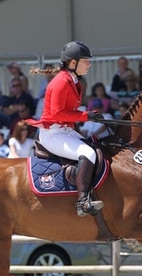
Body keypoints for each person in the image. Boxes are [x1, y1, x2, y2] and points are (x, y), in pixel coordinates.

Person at [27, 41, 105, 217]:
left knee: (95, 148)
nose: (89, 64)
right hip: (53, 133)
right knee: (88, 153)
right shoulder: (62, 81)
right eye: (86, 60)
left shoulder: (73, 80)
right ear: (73, 63)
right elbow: (58, 113)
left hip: (64, 130)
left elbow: (69, 111)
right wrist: (85, 116)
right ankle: (82, 202)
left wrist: (89, 115)